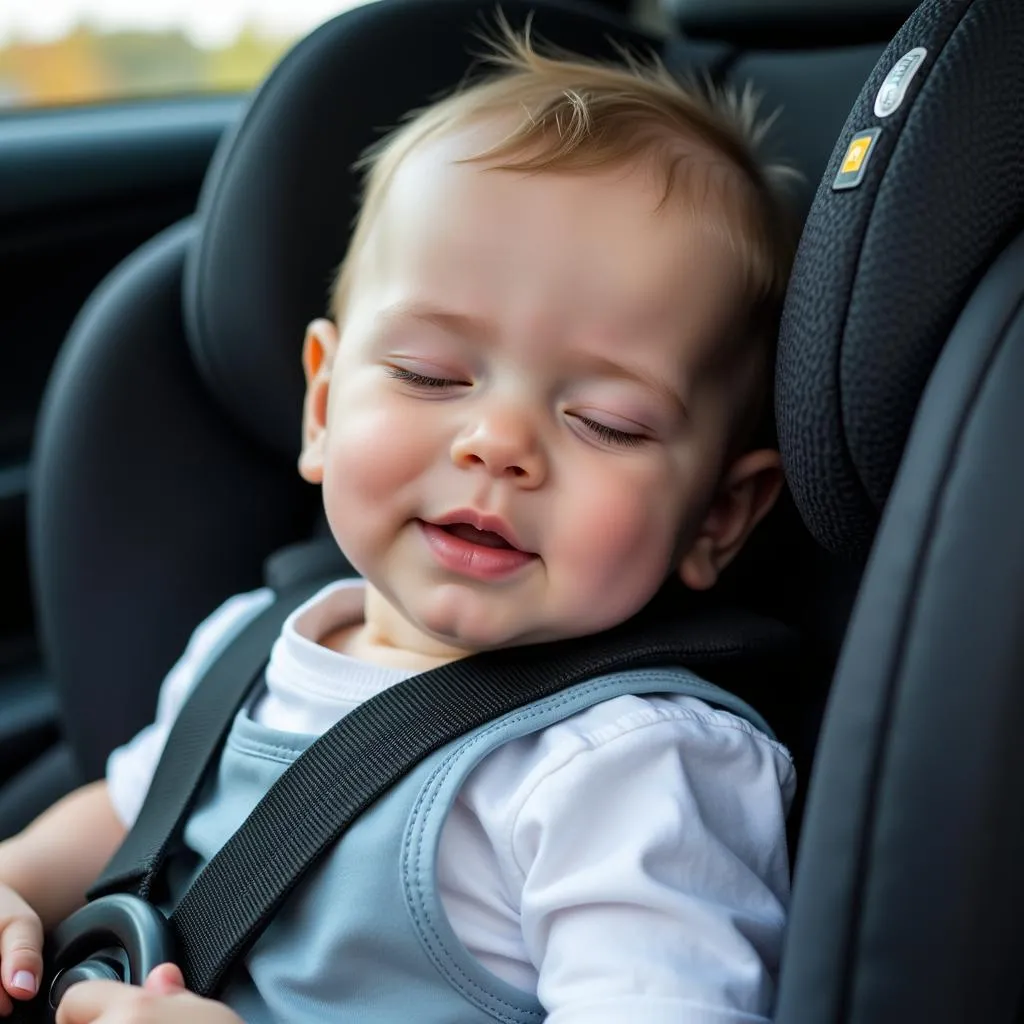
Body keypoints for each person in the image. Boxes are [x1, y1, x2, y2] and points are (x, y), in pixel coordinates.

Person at [0, 23, 800, 1024]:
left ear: (717, 517)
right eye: (429, 374)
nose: (497, 442)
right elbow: (126, 815)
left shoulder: (626, 767)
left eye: (606, 421)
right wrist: (19, 880)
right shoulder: (248, 639)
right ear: (323, 407)